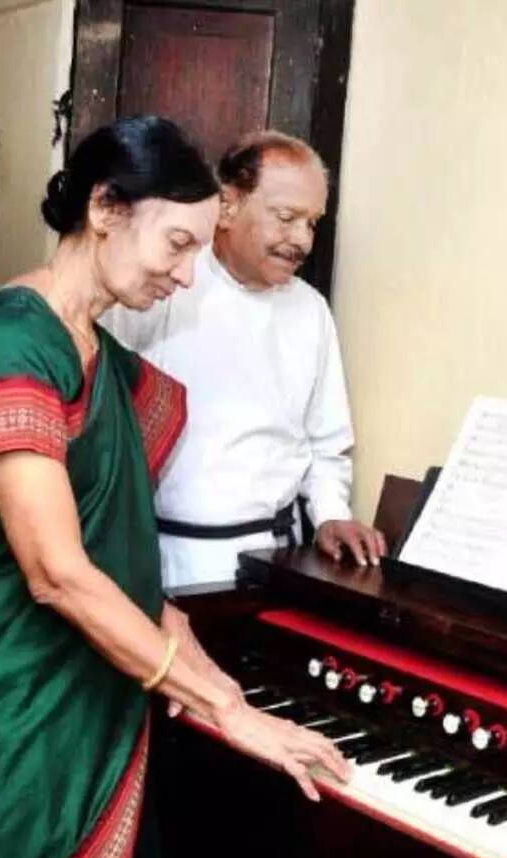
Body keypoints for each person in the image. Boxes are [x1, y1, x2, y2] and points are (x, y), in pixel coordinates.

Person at [0, 116, 351, 858]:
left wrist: (232, 700)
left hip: (97, 674)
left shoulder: (99, 351)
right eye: (178, 245)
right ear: (105, 209)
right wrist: (224, 707)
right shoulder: (13, 342)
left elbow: (128, 568)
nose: (186, 275)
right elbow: (56, 572)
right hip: (15, 686)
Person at [101, 130, 385, 590]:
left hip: (277, 558)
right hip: (166, 556)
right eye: (287, 218)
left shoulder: (310, 310)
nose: (302, 240)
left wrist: (332, 514)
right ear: (228, 206)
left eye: (312, 223)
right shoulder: (160, 287)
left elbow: (327, 444)